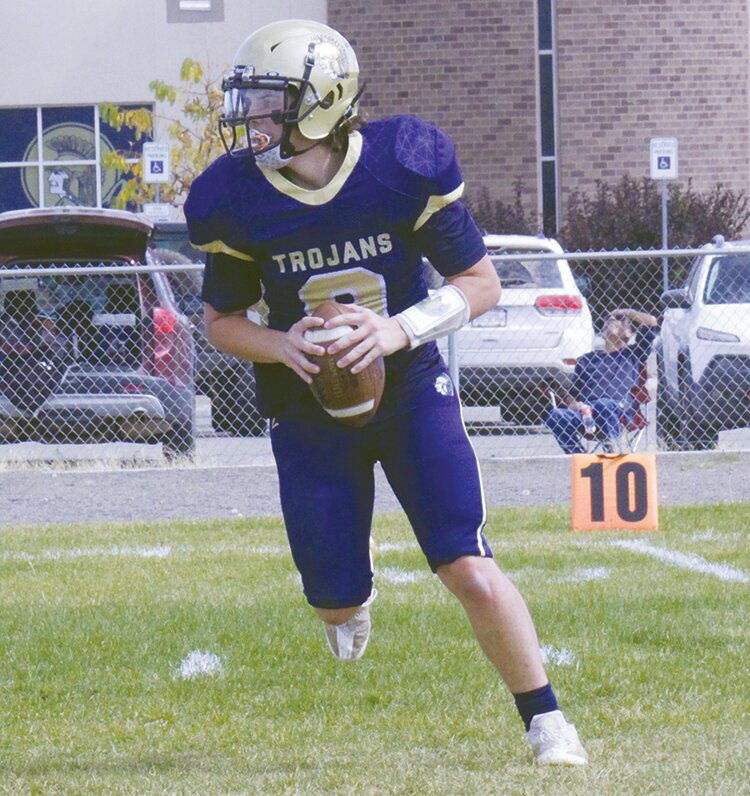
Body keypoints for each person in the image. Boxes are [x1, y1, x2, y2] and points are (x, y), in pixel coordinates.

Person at [184, 19, 587, 765]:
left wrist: (394, 333)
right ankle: (352, 574)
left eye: (271, 102)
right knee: (334, 606)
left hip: (405, 386)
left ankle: (546, 720)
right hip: (305, 399)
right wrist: (283, 343)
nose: (253, 119)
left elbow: (481, 283)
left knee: (466, 561)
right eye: (251, 101)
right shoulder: (232, 199)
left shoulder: (402, 164)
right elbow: (219, 321)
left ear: (323, 103)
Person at [546, 308, 658, 454]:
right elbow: (573, 394)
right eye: (608, 319)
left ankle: (613, 450)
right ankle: (580, 457)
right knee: (556, 416)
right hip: (588, 413)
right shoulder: (586, 360)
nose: (611, 319)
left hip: (620, 411)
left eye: (619, 319)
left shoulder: (633, 354)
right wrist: (575, 404)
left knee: (603, 404)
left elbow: (651, 322)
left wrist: (624, 312)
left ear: (629, 333)